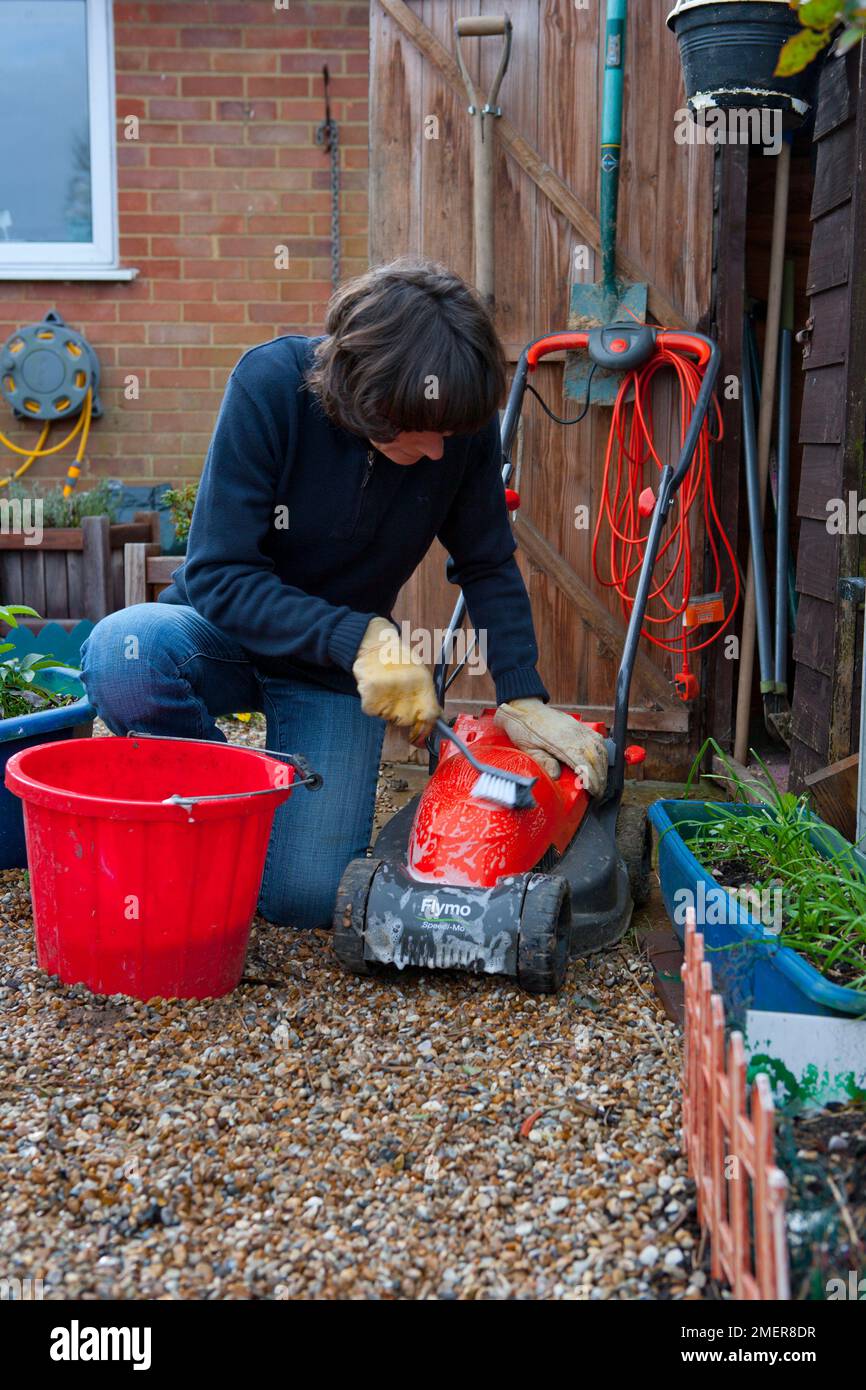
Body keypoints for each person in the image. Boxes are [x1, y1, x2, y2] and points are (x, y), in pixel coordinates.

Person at [80, 259, 606, 929]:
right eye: (424, 433)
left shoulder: (455, 429)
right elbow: (218, 575)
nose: (442, 454)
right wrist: (359, 638)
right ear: (368, 398)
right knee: (127, 652)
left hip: (330, 676)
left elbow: (488, 564)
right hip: (221, 638)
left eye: (451, 435)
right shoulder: (270, 385)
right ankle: (213, 810)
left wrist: (522, 693)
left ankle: (250, 815)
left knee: (304, 902)